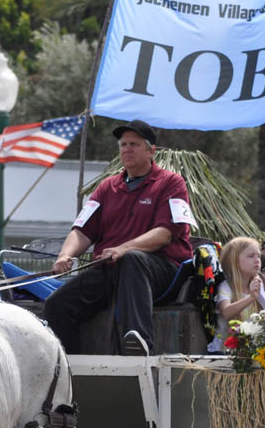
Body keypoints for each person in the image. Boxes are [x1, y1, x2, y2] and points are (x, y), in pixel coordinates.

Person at [43, 119, 195, 356]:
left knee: (132, 259)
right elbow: (82, 231)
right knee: (56, 304)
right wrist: (65, 255)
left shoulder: (171, 183)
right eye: (123, 144)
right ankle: (67, 365)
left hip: (160, 270)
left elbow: (165, 234)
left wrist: (123, 248)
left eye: (134, 144)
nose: (127, 149)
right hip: (112, 269)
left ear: (151, 150)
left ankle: (139, 342)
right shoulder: (106, 187)